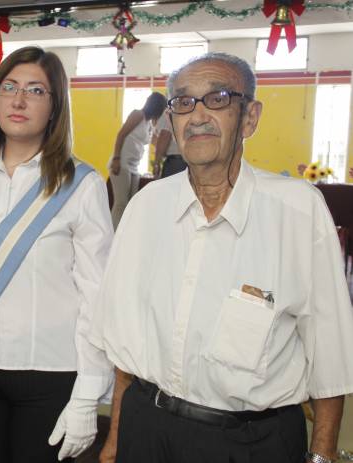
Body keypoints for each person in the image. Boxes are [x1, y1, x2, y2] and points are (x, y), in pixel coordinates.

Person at [90, 52, 353, 463]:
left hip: (249, 441)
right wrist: (115, 440)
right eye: (183, 102)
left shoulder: (298, 210)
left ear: (250, 118)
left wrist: (322, 456)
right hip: (147, 427)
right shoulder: (147, 206)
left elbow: (330, 349)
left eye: (218, 99)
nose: (197, 116)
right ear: (172, 120)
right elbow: (126, 341)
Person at [0, 46, 114, 463]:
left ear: (55, 106)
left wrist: (88, 396)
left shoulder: (81, 185)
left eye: (36, 90)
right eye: (9, 87)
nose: (19, 100)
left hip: (49, 376)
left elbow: (97, 298)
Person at [108, 92, 166, 229]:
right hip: (121, 162)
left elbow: (156, 142)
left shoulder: (149, 123)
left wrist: (161, 158)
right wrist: (116, 158)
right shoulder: (138, 115)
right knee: (121, 203)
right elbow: (121, 135)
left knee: (131, 203)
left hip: (134, 166)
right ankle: (113, 235)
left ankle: (125, 232)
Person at [153, 112, 187, 178]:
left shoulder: (169, 112)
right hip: (196, 162)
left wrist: (156, 163)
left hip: (176, 163)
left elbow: (164, 136)